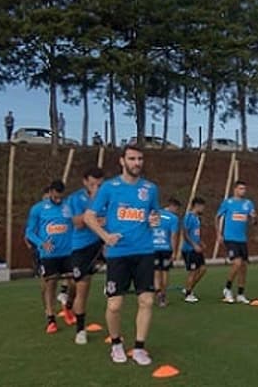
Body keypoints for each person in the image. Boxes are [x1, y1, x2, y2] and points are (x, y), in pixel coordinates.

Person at [84, 145, 161, 366]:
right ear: (122, 161)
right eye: (132, 158)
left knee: (146, 300)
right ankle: (116, 343)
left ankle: (139, 348)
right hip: (118, 254)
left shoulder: (150, 188)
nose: (137, 163)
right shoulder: (109, 188)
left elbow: (154, 213)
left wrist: (154, 220)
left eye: (140, 159)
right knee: (114, 305)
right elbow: (90, 217)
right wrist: (105, 236)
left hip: (145, 251)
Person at [24, 180, 75, 334]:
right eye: (56, 197)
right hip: (49, 254)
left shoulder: (69, 206)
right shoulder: (38, 209)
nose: (59, 200)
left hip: (68, 253)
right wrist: (41, 244)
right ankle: (51, 318)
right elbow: (30, 232)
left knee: (74, 284)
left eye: (61, 197)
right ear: (51, 192)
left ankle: (68, 306)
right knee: (50, 284)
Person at [67, 167, 105, 345]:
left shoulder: (107, 198)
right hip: (81, 247)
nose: (96, 187)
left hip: (101, 242)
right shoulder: (76, 198)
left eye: (99, 184)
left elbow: (110, 220)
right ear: (85, 182)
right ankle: (80, 329)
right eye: (92, 184)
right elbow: (78, 223)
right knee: (82, 288)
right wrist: (93, 216)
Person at [217, 181, 256, 305]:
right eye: (240, 188)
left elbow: (253, 222)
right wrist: (219, 233)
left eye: (244, 189)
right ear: (235, 189)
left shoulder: (248, 203)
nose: (243, 191)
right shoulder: (228, 202)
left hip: (242, 239)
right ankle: (227, 288)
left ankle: (240, 293)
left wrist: (254, 218)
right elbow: (217, 217)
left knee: (244, 266)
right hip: (230, 238)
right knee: (237, 262)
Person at [153, 197, 180, 307]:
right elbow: (173, 236)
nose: (177, 211)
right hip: (166, 248)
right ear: (173, 206)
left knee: (155, 272)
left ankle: (158, 291)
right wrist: (174, 251)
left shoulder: (155, 214)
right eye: (177, 209)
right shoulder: (173, 218)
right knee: (165, 272)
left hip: (153, 247)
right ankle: (163, 296)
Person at [182, 198, 207, 303]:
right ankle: (188, 294)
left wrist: (200, 243)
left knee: (203, 269)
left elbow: (195, 233)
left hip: (196, 248)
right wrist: (194, 245)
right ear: (196, 205)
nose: (203, 208)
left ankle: (188, 287)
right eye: (202, 206)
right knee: (193, 271)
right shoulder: (189, 217)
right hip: (189, 249)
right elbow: (185, 233)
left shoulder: (197, 218)